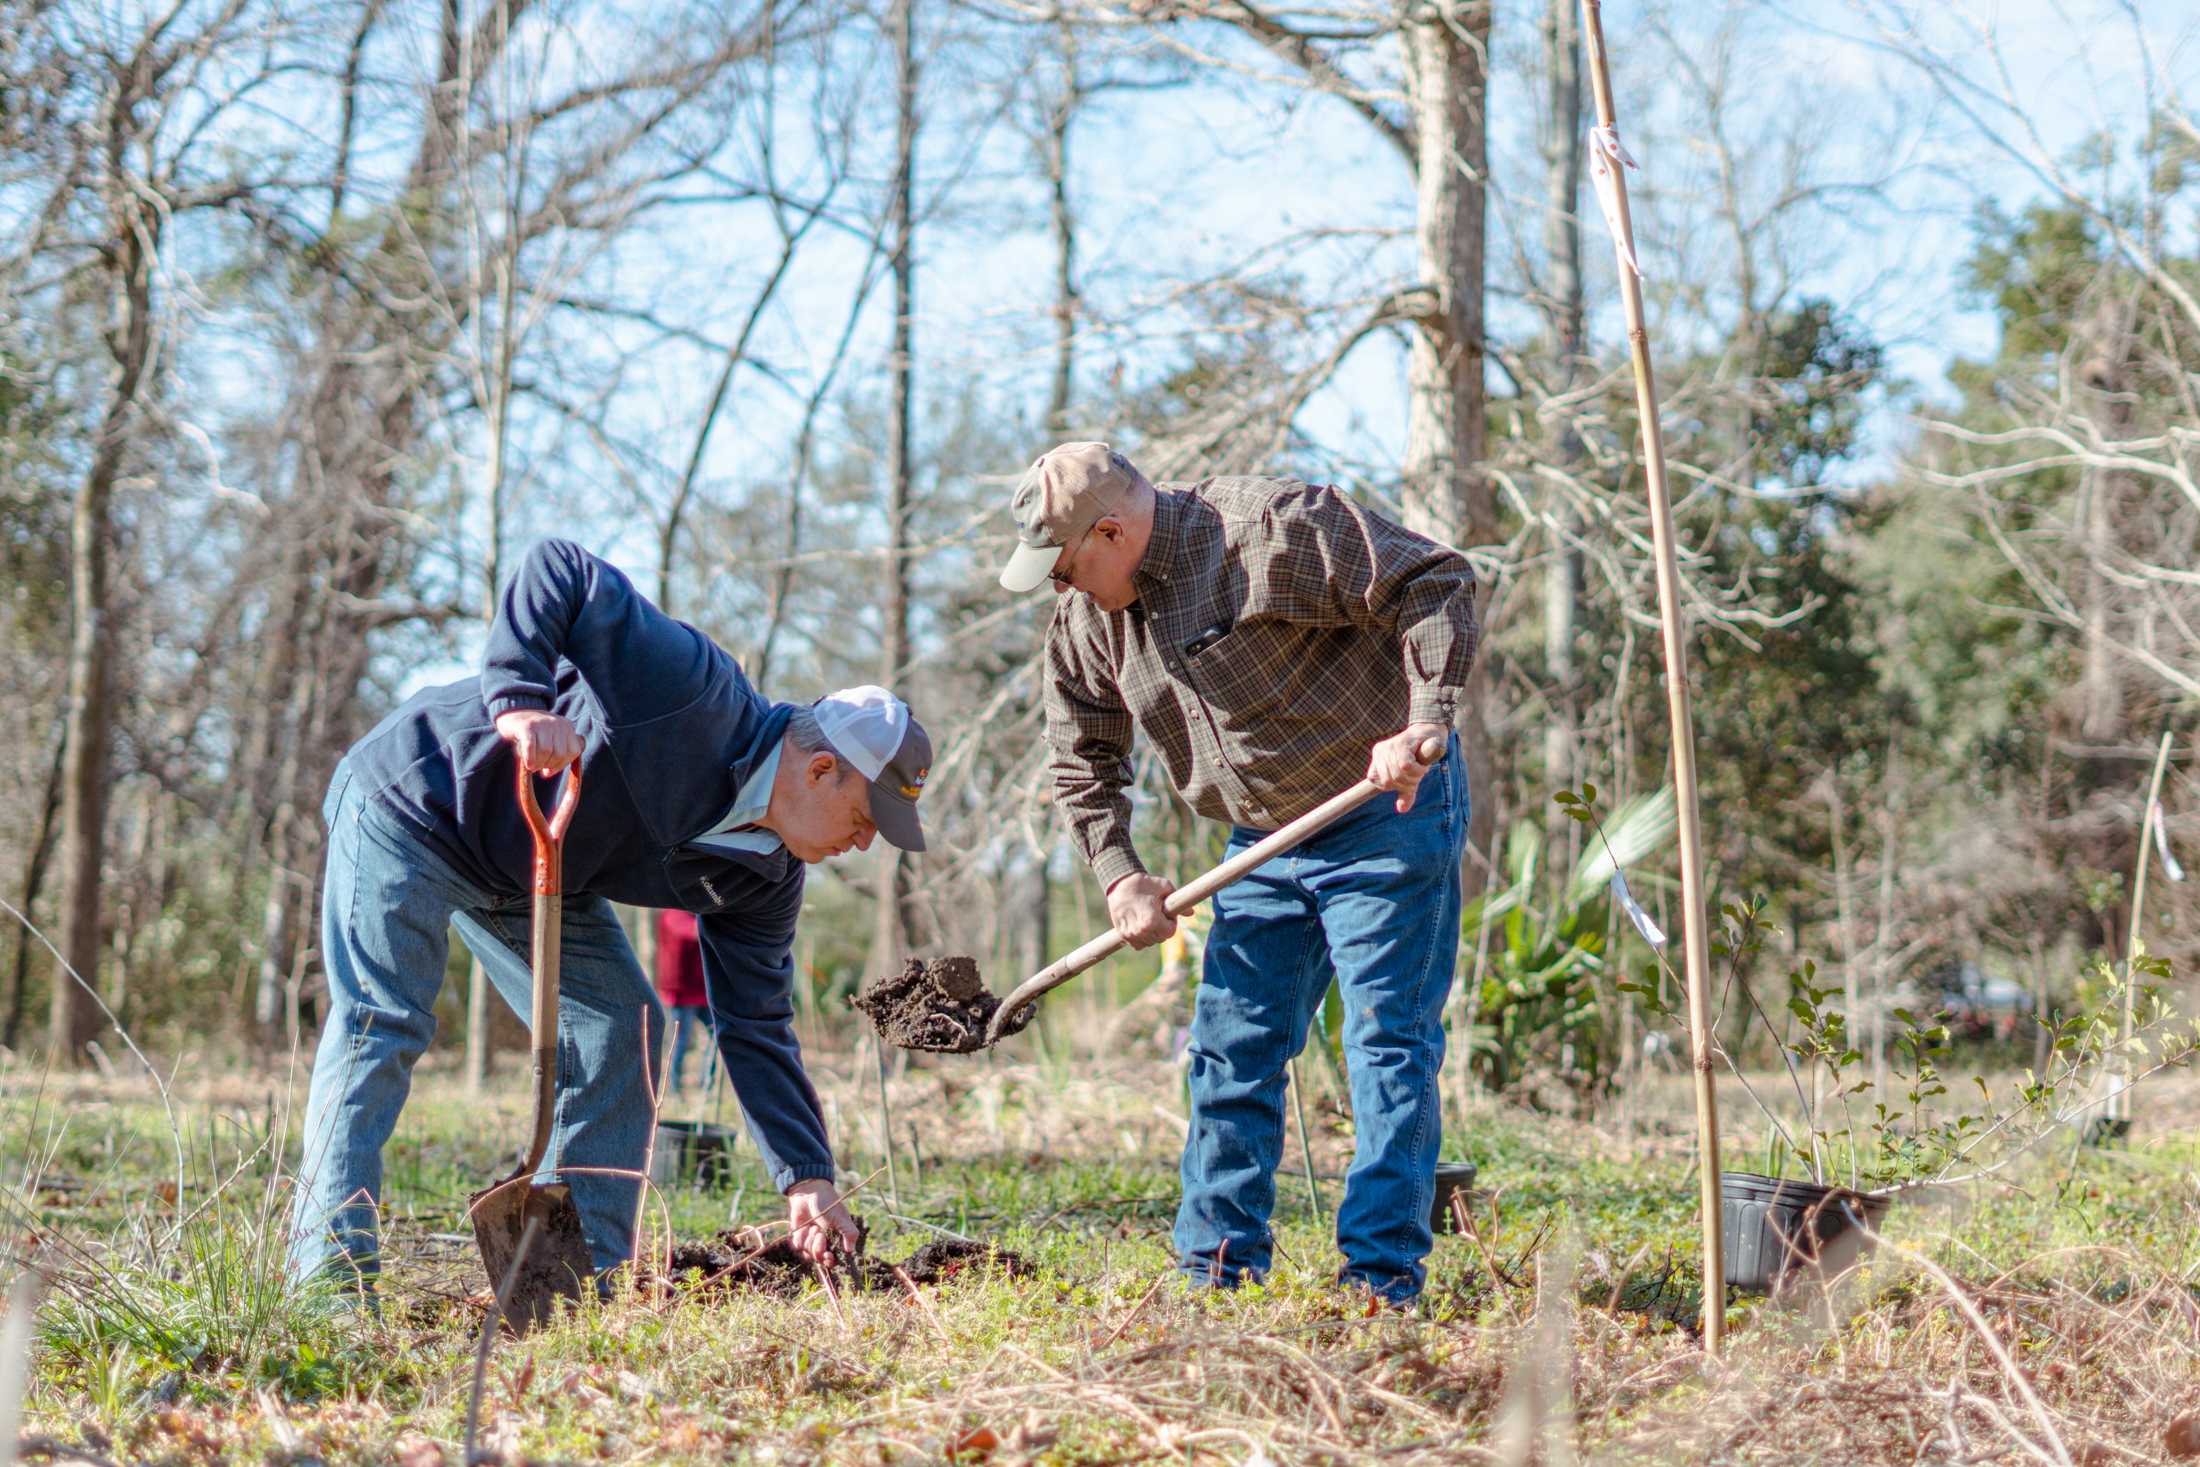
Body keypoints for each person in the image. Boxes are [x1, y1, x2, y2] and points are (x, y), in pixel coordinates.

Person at [289, 538, 933, 1292]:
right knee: (383, 1020)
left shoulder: (766, 875)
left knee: (622, 1027)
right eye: (863, 818)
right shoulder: (692, 694)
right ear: (821, 770)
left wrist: (807, 1176)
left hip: (536, 869)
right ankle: (327, 1278)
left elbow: (755, 1025)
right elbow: (558, 567)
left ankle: (574, 1276)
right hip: (418, 801)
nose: (862, 843)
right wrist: (522, 699)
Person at [997, 442, 1477, 1306]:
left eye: (1065, 568)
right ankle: (1215, 1273)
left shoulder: (1270, 531)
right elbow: (1081, 757)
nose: (1060, 591)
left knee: (1385, 1045)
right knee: (1229, 1051)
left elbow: (1435, 581)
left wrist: (1422, 722)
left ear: (1111, 531)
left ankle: (1380, 1282)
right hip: (1260, 842)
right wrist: (1120, 874)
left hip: (1383, 812)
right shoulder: (1084, 620)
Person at [654, 909, 710, 1095]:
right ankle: (674, 1089)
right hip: (681, 991)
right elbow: (690, 931)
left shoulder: (698, 913)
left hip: (703, 990)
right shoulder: (673, 913)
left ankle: (706, 1086)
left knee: (716, 1037)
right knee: (680, 1041)